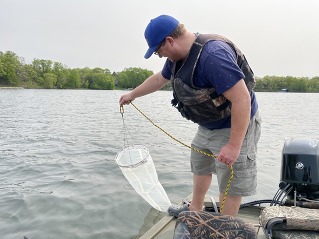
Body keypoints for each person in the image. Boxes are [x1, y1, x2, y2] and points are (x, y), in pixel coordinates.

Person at [119, 14, 261, 217]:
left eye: (159, 51)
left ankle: (224, 224)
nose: (160, 56)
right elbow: (160, 78)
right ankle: (195, 208)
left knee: (229, 176)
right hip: (209, 124)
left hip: (236, 123)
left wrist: (233, 145)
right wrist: (132, 95)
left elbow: (242, 99)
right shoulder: (177, 58)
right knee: (199, 163)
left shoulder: (213, 56)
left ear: (170, 40)